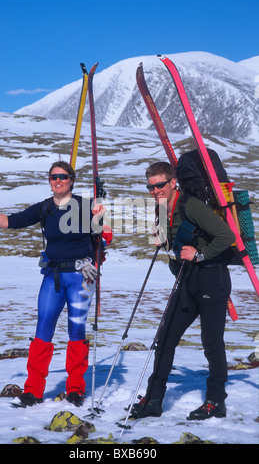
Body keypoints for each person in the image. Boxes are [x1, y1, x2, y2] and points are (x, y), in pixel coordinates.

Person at [0, 161, 109, 407]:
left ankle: (75, 389)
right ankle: (32, 391)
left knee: (76, 332)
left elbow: (105, 234)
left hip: (80, 278)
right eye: (53, 177)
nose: (58, 180)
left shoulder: (86, 206)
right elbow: (12, 221)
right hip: (52, 278)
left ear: (71, 180)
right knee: (42, 331)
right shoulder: (45, 208)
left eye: (63, 176)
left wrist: (100, 219)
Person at [131, 161, 236, 421]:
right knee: (165, 339)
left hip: (212, 277)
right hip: (186, 279)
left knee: (211, 343)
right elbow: (176, 241)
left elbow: (226, 236)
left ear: (172, 182)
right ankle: (154, 399)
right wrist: (164, 241)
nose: (155, 190)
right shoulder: (162, 207)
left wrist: (200, 255)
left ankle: (215, 402)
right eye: (151, 186)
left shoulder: (192, 205)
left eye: (160, 185)